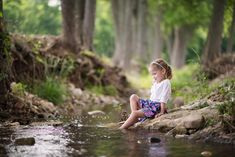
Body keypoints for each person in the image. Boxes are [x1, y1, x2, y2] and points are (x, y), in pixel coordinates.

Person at [119, 58, 172, 129]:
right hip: (150, 105)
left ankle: (122, 128)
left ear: (163, 71)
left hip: (155, 109)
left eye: (155, 74)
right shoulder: (156, 82)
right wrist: (154, 83)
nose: (153, 76)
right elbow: (153, 96)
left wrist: (162, 112)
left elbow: (163, 98)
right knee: (133, 97)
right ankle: (135, 117)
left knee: (135, 113)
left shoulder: (166, 82)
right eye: (152, 74)